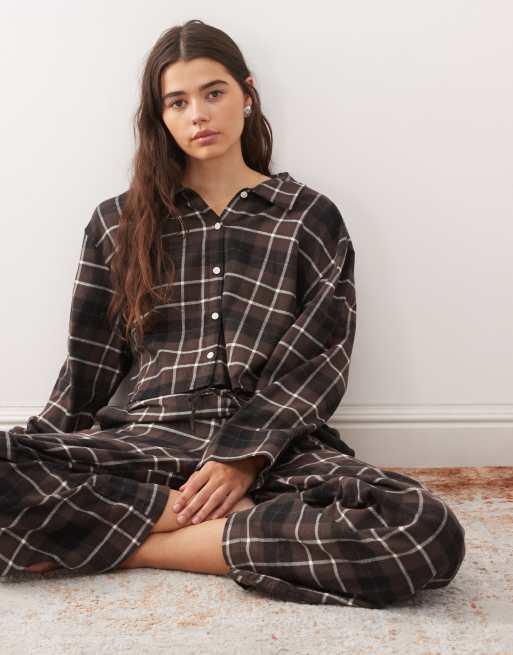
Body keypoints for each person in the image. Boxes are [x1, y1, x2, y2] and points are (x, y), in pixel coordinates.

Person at [0, 19, 466, 608]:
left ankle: (134, 545)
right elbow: (87, 366)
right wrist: (38, 450)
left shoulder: (308, 217)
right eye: (178, 102)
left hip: (273, 449)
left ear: (247, 94)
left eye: (213, 92)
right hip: (145, 439)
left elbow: (318, 361)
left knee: (422, 530)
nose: (198, 114)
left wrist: (241, 461)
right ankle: (191, 526)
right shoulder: (117, 222)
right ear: (160, 117)